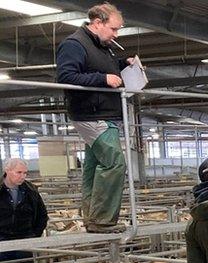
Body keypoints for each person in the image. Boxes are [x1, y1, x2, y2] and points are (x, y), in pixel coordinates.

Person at [55, 2, 135, 234]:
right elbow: (67, 76)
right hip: (91, 114)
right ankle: (102, 220)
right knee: (113, 163)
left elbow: (96, 68)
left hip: (103, 113)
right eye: (113, 29)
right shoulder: (74, 44)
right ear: (97, 23)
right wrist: (103, 79)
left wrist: (122, 65)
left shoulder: (101, 46)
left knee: (94, 165)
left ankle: (92, 217)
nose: (116, 34)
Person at [0, 159, 48, 263]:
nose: (22, 176)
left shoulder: (31, 191)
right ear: (7, 171)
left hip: (24, 241)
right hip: (2, 243)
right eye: (19, 172)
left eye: (25, 173)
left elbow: (42, 215)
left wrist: (33, 235)